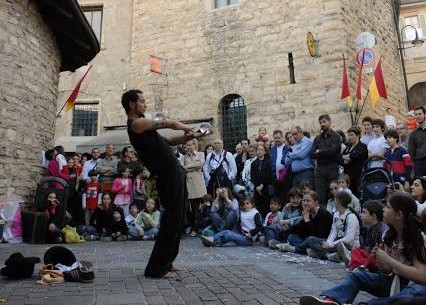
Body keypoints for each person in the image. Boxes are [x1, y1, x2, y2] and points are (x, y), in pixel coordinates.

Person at [122, 89, 206, 278]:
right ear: (132, 104)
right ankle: (156, 268)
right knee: (171, 221)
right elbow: (167, 123)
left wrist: (191, 137)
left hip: (174, 173)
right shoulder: (137, 124)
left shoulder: (145, 128)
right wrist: (185, 127)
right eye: (142, 101)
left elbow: (168, 140)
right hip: (167, 175)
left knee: (178, 219)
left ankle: (167, 262)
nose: (146, 104)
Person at [299, 193, 426, 305]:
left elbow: (421, 276)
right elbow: (386, 270)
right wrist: (380, 260)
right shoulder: (388, 235)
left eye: (388, 207)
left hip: (414, 285)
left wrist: (389, 261)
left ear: (399, 215)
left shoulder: (417, 237)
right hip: (394, 282)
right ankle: (331, 299)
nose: (384, 209)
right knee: (356, 276)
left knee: (410, 296)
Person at [311, 114, 342, 204]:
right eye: (320, 122)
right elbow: (312, 154)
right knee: (319, 195)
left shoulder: (336, 136)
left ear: (329, 122)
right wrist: (324, 152)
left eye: (324, 122)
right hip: (320, 169)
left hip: (332, 167)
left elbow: (333, 151)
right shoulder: (317, 138)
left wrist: (319, 151)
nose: (322, 124)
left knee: (335, 194)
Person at [182, 138, 207, 237]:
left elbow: (199, 163)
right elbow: (180, 166)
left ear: (194, 145)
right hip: (188, 183)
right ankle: (190, 225)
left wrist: (187, 167)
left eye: (189, 145)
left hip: (197, 184)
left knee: (197, 207)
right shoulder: (184, 157)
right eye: (186, 145)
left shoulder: (200, 154)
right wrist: (190, 167)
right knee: (188, 207)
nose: (187, 147)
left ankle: (196, 227)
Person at [342, 126, 368, 195]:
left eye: (352, 135)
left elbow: (353, 156)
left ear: (358, 135)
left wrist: (348, 157)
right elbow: (341, 158)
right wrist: (346, 157)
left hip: (358, 176)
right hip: (348, 177)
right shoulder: (348, 147)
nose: (350, 137)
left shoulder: (362, 146)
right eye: (349, 135)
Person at [251, 143, 272, 217]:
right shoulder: (253, 163)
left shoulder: (268, 162)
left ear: (265, 152)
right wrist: (257, 186)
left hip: (266, 187)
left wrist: (262, 185)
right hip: (257, 188)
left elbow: (269, 175)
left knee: (266, 205)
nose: (260, 151)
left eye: (261, 150)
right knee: (258, 205)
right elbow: (252, 176)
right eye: (258, 150)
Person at [270, 130, 290, 200]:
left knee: (285, 197)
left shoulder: (287, 148)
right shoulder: (272, 149)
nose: (277, 139)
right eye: (275, 138)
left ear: (282, 138)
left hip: (286, 178)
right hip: (275, 179)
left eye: (278, 138)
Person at [408, 106, 426, 177]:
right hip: (419, 164)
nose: (418, 116)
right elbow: (411, 153)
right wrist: (412, 170)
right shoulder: (413, 134)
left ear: (425, 114)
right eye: (416, 114)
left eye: (420, 114)